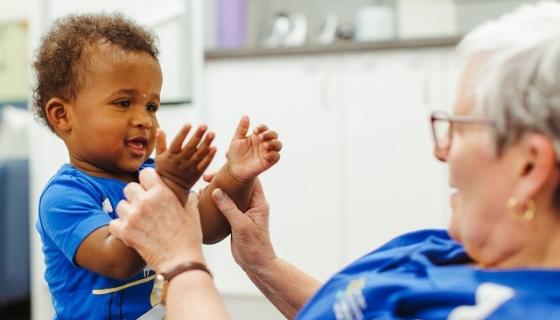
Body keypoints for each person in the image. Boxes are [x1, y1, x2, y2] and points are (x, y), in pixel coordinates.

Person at [110, 1, 560, 319]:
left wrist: (182, 262)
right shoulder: (451, 248)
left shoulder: (507, 307)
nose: (441, 151)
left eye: (457, 128)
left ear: (529, 166)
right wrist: (262, 263)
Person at [32, 13, 282, 319]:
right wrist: (172, 188)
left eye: (151, 106)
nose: (144, 119)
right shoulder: (64, 198)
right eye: (124, 103)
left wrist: (235, 175)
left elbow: (207, 226)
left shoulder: (150, 175)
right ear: (62, 116)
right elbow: (118, 262)